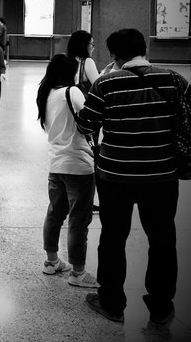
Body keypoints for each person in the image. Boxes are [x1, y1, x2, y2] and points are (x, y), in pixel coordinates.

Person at [75, 29, 187, 325]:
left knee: (113, 238)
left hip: (116, 175)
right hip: (162, 174)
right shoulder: (173, 79)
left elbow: (86, 123)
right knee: (162, 239)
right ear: (144, 49)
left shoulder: (107, 82)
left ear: (113, 55)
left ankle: (112, 303)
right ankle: (161, 307)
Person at [35, 54, 98, 289]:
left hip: (55, 164)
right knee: (78, 220)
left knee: (55, 213)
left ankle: (52, 262)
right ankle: (78, 273)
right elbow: (89, 120)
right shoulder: (72, 92)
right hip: (78, 164)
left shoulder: (46, 94)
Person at [67, 30, 99, 96]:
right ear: (84, 45)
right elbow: (98, 86)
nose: (93, 48)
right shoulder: (87, 62)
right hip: (82, 103)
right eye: (92, 44)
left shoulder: (65, 61)